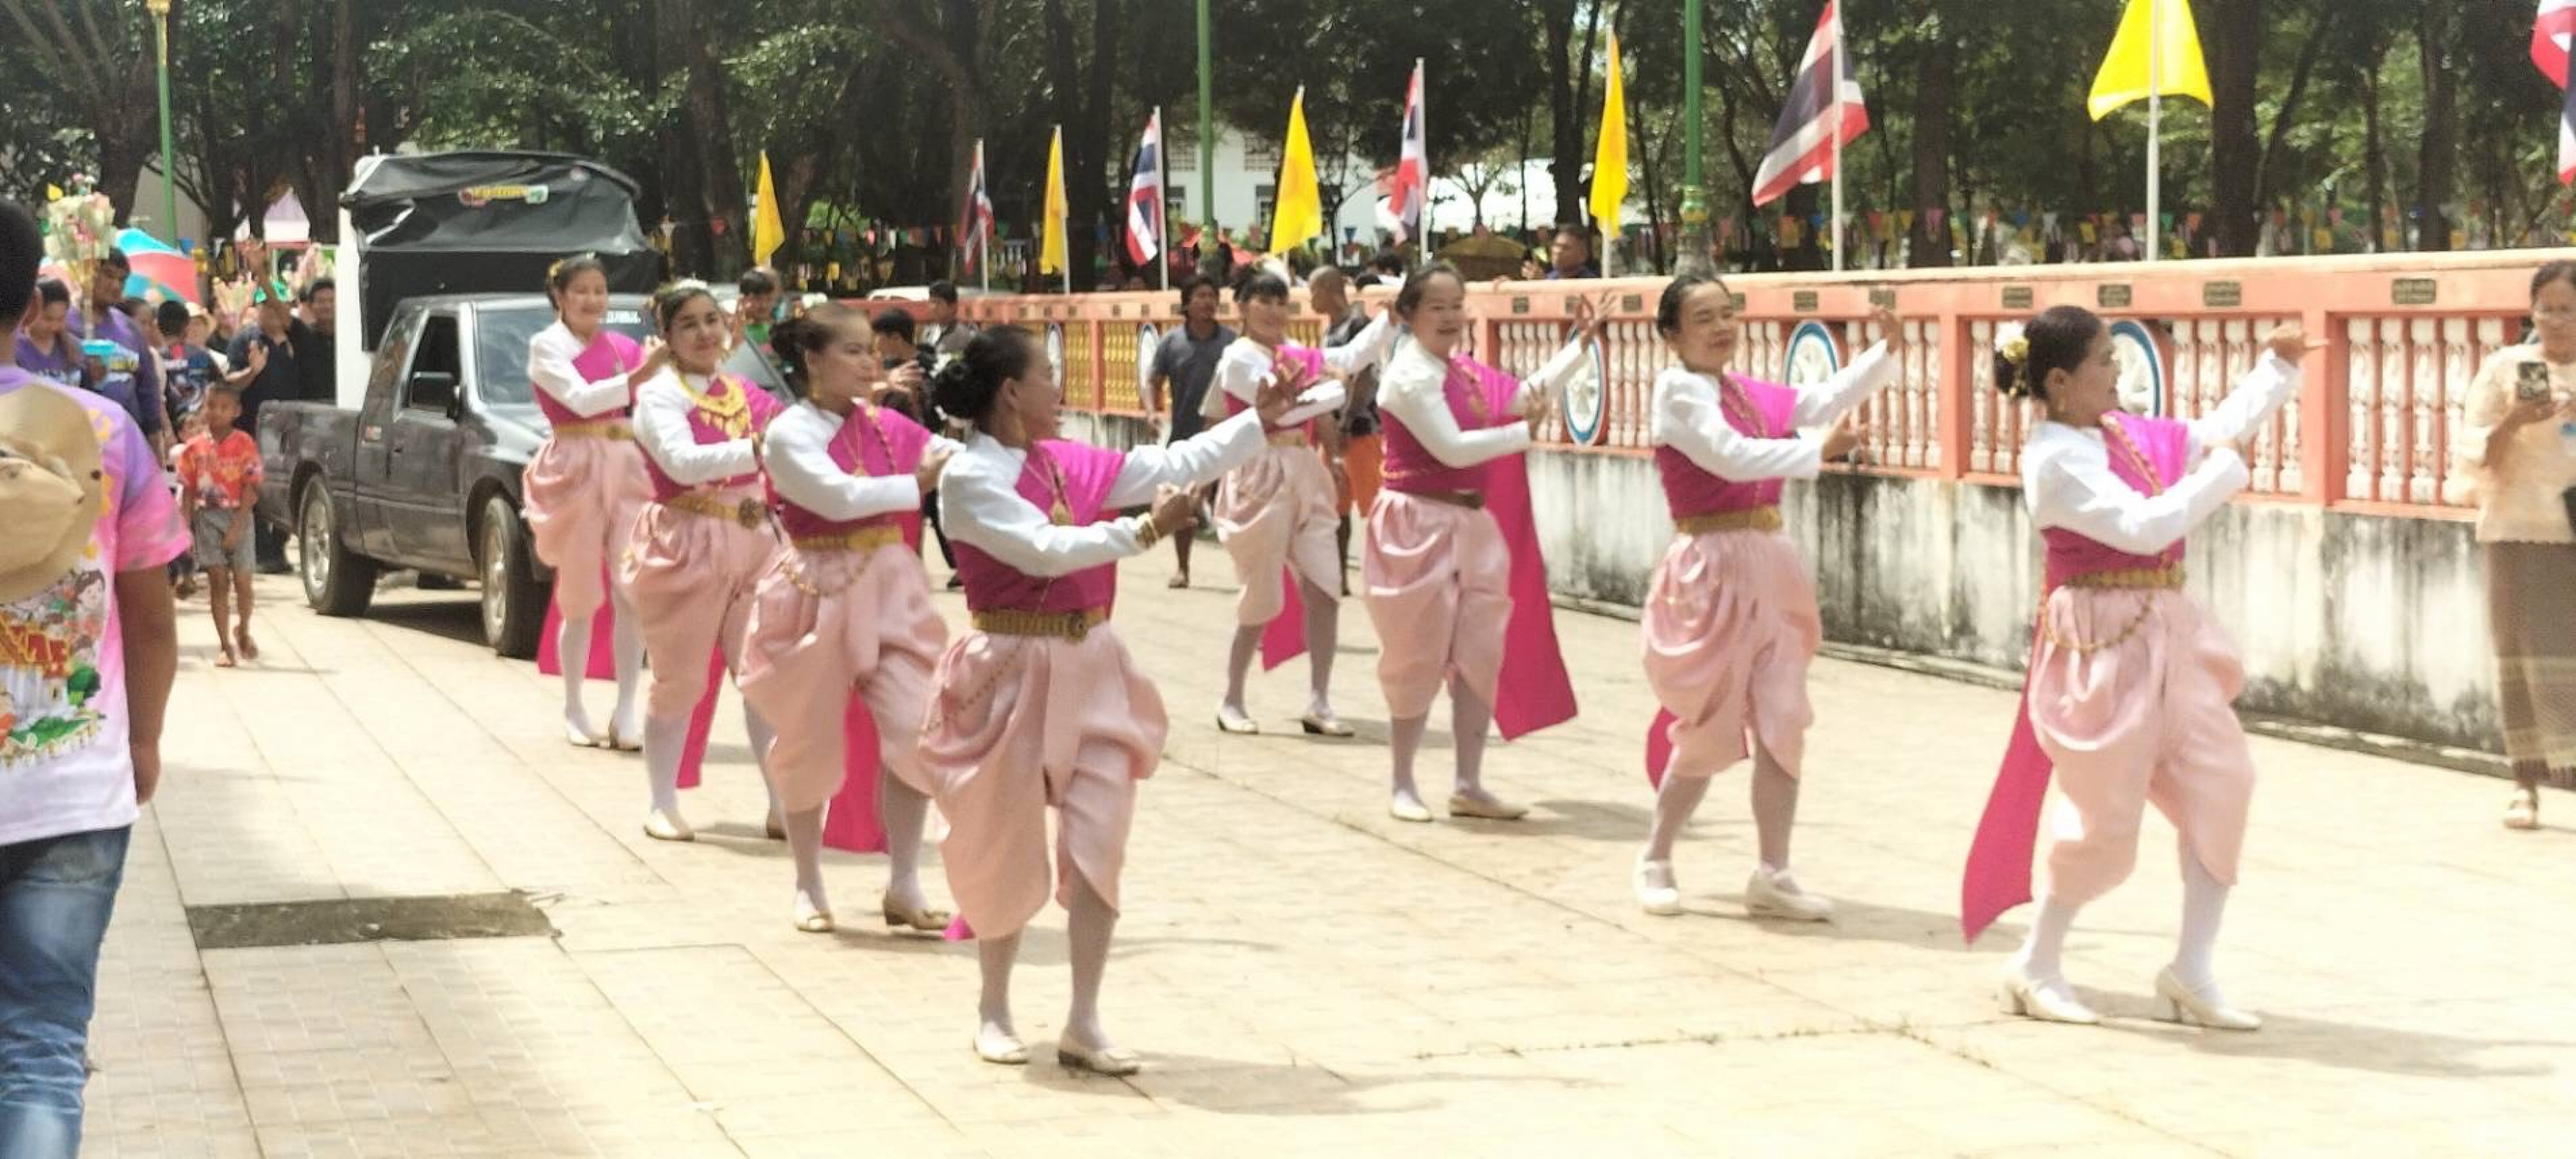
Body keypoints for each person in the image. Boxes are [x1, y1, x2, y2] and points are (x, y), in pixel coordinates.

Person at [921, 325, 1296, 1074]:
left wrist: (1260, 421)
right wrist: (1145, 530)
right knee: (1004, 840)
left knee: (1099, 840)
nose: (1059, 390)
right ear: (1010, 394)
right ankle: (994, 1006)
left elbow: (1168, 460)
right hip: (1007, 665)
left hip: (1090, 662)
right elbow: (1040, 548)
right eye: (1048, 376)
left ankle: (1083, 1018)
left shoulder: (1064, 462)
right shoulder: (970, 477)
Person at [1961, 306, 2308, 1031]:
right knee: (2104, 816)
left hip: (2166, 632)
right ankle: (2035, 963)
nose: (2117, 374)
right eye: (2104, 362)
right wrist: (2224, 475)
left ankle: (2191, 969)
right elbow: (2142, 525)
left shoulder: (2119, 432)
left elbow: (2208, 434)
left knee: (2224, 781)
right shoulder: (2053, 460)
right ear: (2058, 380)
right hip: (2098, 648)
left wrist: (2276, 368)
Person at [0, 198, 186, 1158]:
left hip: (73, 789)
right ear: (28, 296)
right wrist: (142, 738)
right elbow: (152, 621)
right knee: (38, 1049)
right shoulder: (106, 433)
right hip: (71, 787)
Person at [1631, 275, 1902, 922]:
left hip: (1769, 563)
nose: (1722, 327)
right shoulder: (1677, 393)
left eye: (1728, 314)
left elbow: (1816, 400)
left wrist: (1883, 352)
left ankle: (1773, 871)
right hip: (1710, 567)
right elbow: (1730, 458)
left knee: (1784, 717)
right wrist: (1815, 451)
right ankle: (1657, 855)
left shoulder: (1741, 391)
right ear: (1672, 334)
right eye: (1704, 318)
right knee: (1712, 722)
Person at [737, 305, 960, 934]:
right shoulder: (789, 433)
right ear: (812, 360)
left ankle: (905, 882)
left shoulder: (890, 427)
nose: (870, 364)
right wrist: (915, 484)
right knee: (810, 740)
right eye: (853, 352)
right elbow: (834, 497)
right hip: (817, 588)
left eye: (871, 352)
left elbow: (952, 461)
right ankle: (808, 883)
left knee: (916, 729)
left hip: (890, 590)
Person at [1364, 265, 1606, 823]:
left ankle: (1468, 782)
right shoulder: (1407, 378)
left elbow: (1520, 397)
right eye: (1438, 307)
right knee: (1416, 654)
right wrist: (1526, 434)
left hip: (1472, 526)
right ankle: (1403, 781)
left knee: (1479, 654)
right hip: (1416, 526)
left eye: (1458, 305)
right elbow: (1451, 449)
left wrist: (1579, 351)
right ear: (1409, 315)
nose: (1452, 317)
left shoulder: (1463, 373)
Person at [621, 282, 787, 842]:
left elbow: (791, 435)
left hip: (756, 541)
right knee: (681, 678)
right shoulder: (658, 397)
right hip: (687, 544)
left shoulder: (743, 391)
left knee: (764, 675)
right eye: (688, 324)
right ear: (666, 337)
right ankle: (660, 801)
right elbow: (682, 462)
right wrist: (757, 449)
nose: (704, 333)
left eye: (711, 320)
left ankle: (780, 803)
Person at [1208, 268, 1391, 735]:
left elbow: (1349, 357)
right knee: (1261, 595)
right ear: (1243, 308)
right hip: (1259, 473)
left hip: (1304, 470)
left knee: (1325, 587)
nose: (1272, 312)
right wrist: (1330, 391)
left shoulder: (1295, 355)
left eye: (1279, 303)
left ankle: (1319, 700)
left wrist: (1392, 319)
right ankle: (1232, 696)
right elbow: (1284, 409)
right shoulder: (1237, 361)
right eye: (1262, 302)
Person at [524, 256, 669, 749]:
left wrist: (656, 374)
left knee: (634, 588)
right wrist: (639, 376)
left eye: (600, 290)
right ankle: (574, 705)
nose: (592, 300)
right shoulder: (545, 347)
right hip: (575, 465)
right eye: (581, 291)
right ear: (560, 298)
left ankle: (627, 710)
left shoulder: (626, 348)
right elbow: (581, 400)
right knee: (581, 593)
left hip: (625, 463)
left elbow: (653, 404)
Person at [2452, 261, 2576, 829]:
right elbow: (2478, 459)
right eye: (2545, 308)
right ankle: (2524, 782)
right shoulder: (2506, 370)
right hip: (2518, 531)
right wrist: (2515, 423)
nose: (2555, 320)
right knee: (2520, 659)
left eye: (2566, 308)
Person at [1143, 275, 1237, 587]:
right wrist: (1151, 411)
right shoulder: (1172, 342)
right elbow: (1153, 381)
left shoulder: (1231, 342)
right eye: (1201, 296)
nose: (1209, 302)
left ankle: (1245, 569)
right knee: (1185, 502)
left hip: (1227, 435)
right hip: (1186, 434)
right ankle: (1183, 568)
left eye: (1213, 295)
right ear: (1187, 303)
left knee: (1236, 500)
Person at [176, 387, 264, 667]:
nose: (215, 412)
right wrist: (185, 530)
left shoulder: (245, 444)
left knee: (243, 583)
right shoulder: (195, 449)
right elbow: (188, 491)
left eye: (224, 407)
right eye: (211, 405)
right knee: (218, 582)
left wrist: (238, 527)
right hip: (207, 517)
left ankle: (245, 628)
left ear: (236, 412)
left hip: (240, 515)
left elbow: (252, 488)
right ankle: (225, 644)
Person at [222, 280, 303, 573]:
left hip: (292, 429)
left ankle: (278, 546)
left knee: (288, 486)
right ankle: (262, 549)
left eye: (275, 305)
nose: (269, 311)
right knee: (255, 488)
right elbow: (229, 383)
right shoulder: (246, 341)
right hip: (254, 428)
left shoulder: (297, 341)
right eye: (264, 305)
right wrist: (252, 371)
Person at [1314, 268, 1384, 585]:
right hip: (1335, 430)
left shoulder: (1357, 324)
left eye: (1315, 291)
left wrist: (1346, 421)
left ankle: (1381, 575)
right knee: (1335, 506)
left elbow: (1365, 375)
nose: (1311, 298)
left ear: (1329, 290)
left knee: (1374, 507)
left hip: (1361, 428)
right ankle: (1339, 575)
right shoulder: (1331, 329)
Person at [65, 251, 167, 453]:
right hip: (80, 442)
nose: (115, 285)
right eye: (108, 275)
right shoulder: (63, 325)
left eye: (122, 279)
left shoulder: (130, 328)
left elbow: (147, 386)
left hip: (128, 440)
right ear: (87, 273)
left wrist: (154, 438)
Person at [12, 280, 87, 393]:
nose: (54, 326)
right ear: (31, 311)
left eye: (61, 319)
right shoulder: (13, 350)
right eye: (48, 319)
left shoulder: (74, 348)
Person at [156, 301, 219, 425]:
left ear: (158, 327)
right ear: (186, 327)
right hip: (200, 428)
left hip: (167, 430)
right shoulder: (202, 356)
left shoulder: (154, 358)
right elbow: (219, 386)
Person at [293, 278, 338, 403]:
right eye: (321, 301)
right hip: (310, 412)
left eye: (332, 301)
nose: (327, 306)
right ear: (310, 306)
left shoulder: (349, 338)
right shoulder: (304, 335)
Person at [1521, 227, 1599, 281]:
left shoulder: (1590, 282)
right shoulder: (1551, 277)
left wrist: (1544, 284)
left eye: (1566, 248)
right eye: (1556, 246)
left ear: (1583, 255)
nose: (1558, 252)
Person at [922, 281, 975, 359]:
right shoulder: (928, 331)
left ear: (953, 307)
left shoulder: (963, 335)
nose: (933, 307)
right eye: (932, 302)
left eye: (939, 303)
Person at [735, 267, 783, 351]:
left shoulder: (774, 332)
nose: (764, 305)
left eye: (769, 299)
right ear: (743, 299)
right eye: (758, 299)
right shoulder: (735, 332)